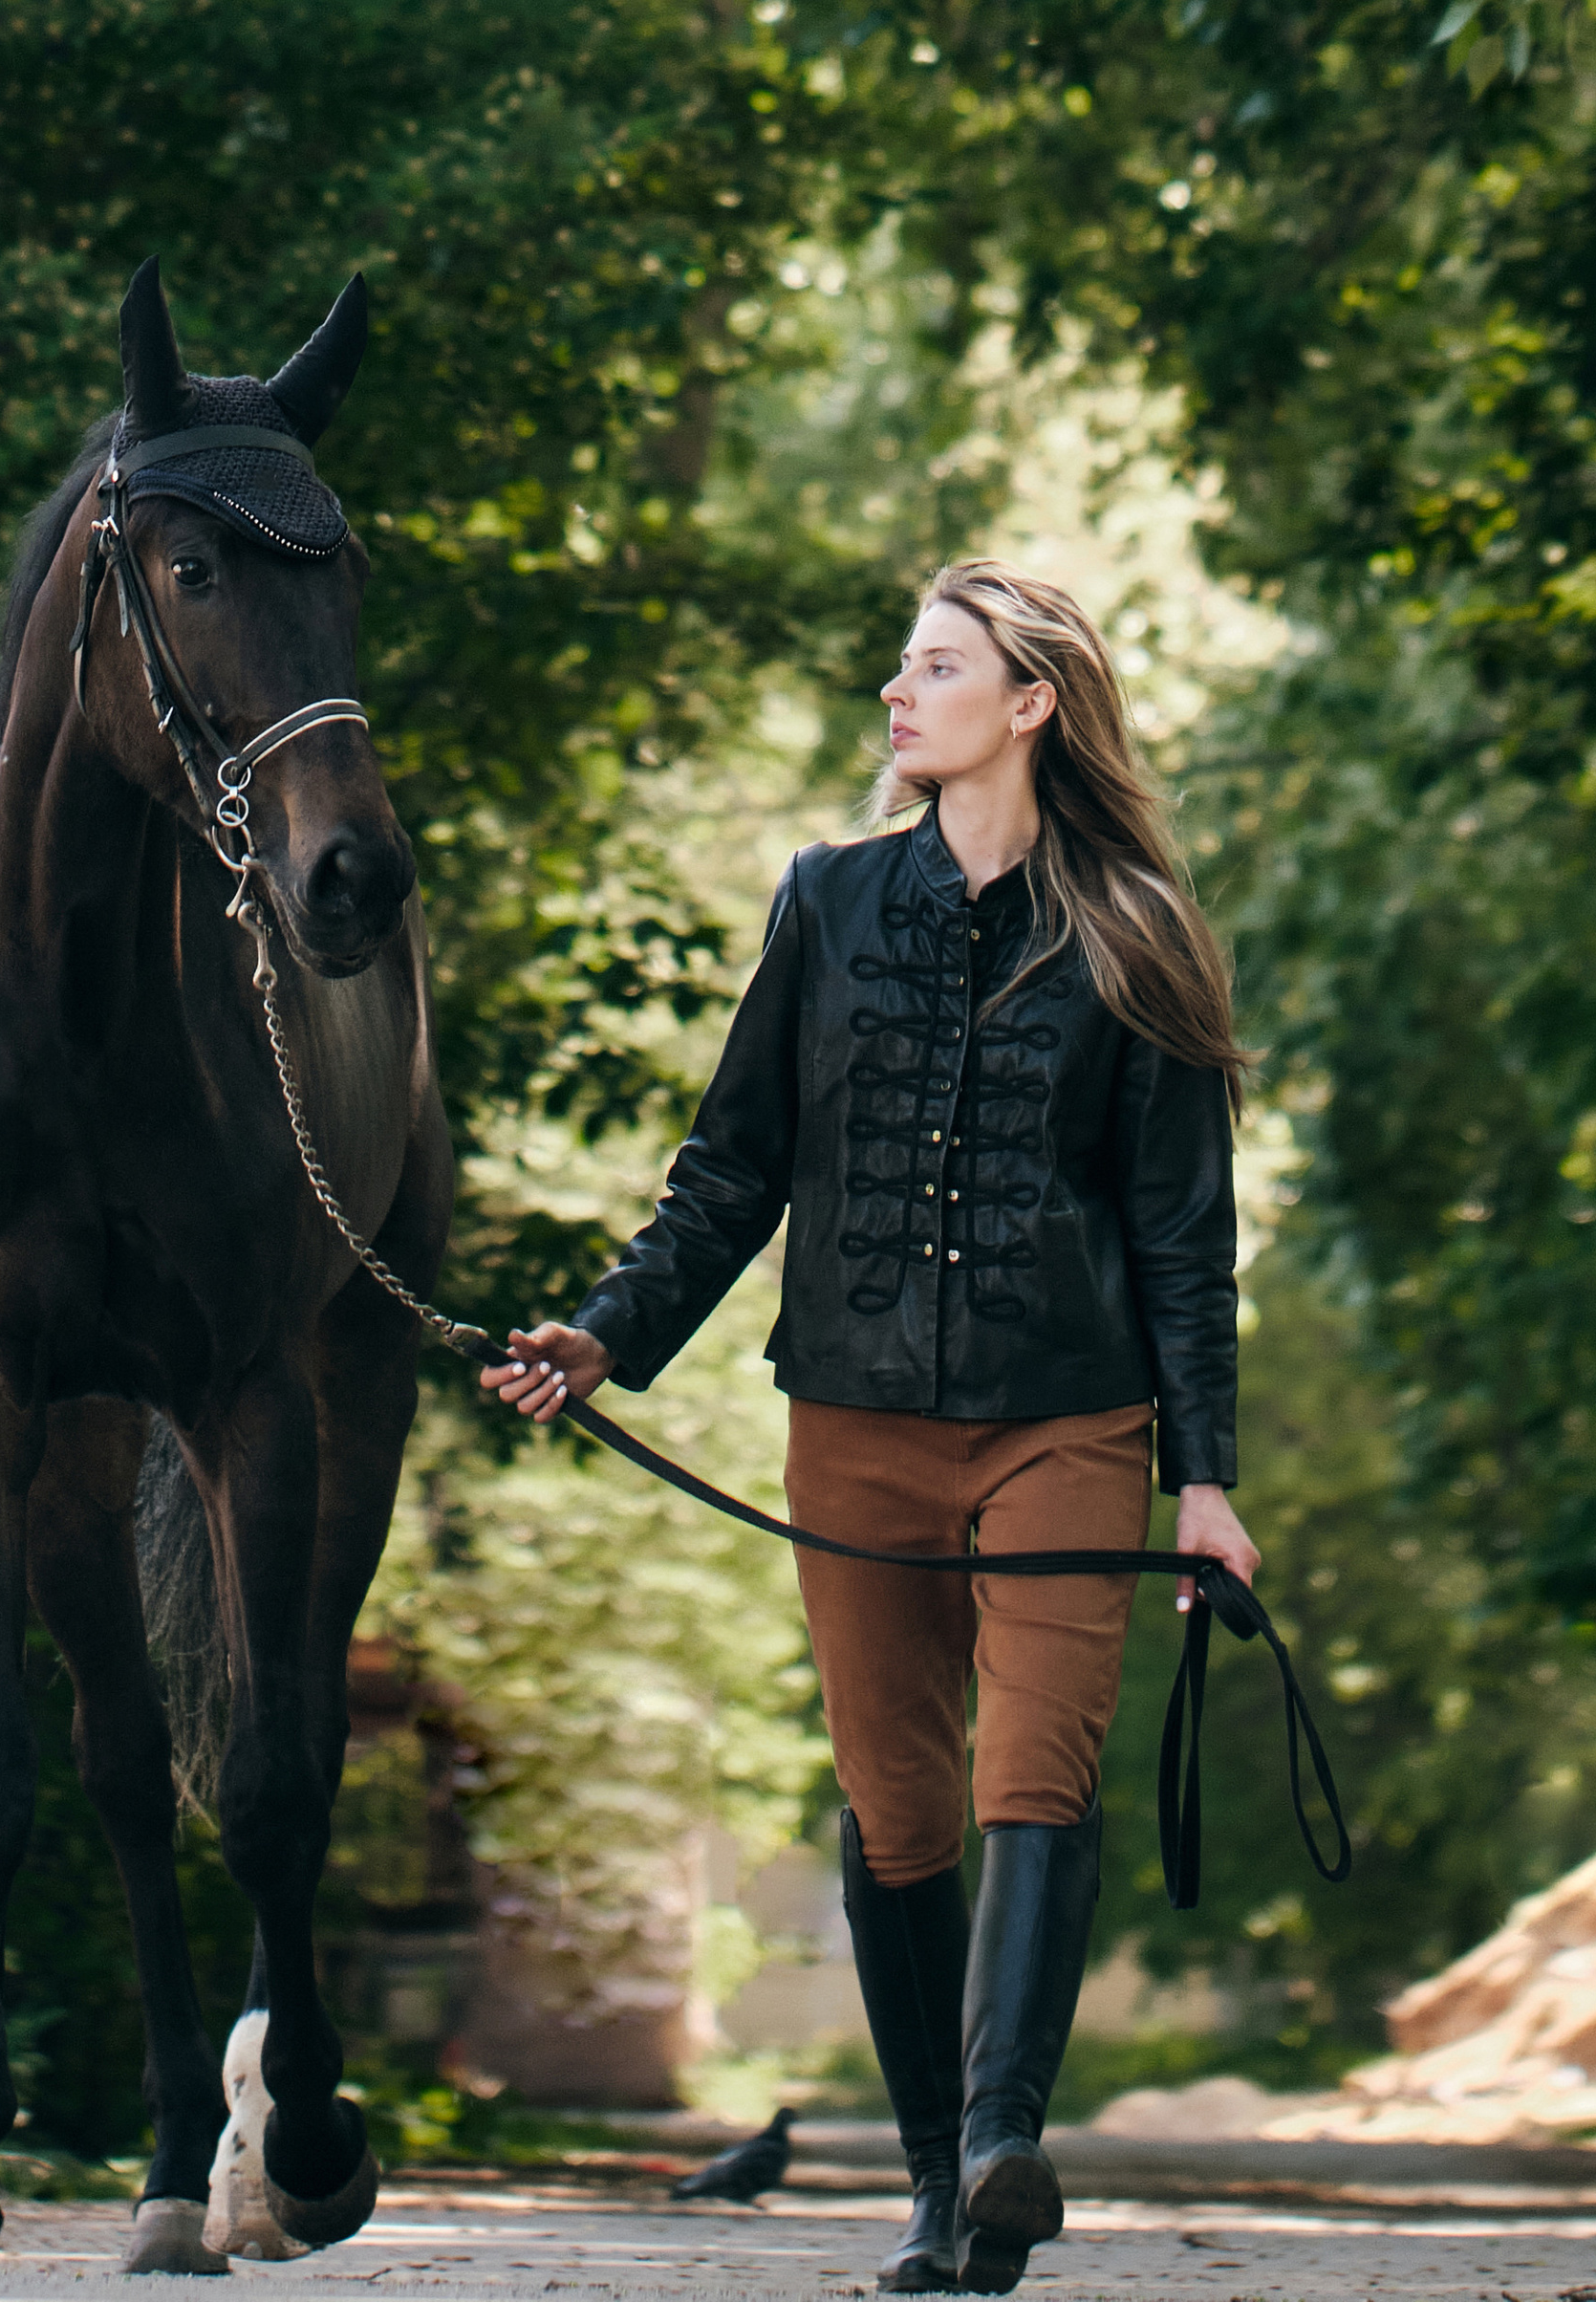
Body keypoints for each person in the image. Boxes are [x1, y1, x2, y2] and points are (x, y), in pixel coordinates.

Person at [485, 562, 1257, 2297]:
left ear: (1033, 701)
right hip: (852, 1423)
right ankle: (934, 2188)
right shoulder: (825, 904)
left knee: (1030, 1773)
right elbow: (733, 1168)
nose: (897, 697)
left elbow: (1184, 1242)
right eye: (902, 670)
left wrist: (1204, 1480)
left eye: (935, 668)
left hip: (1069, 1419)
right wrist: (605, 1336)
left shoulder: (1138, 932)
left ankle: (1000, 2140)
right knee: (898, 1802)